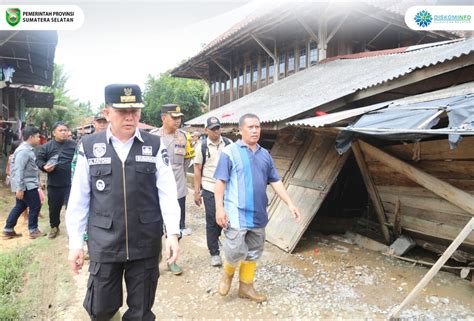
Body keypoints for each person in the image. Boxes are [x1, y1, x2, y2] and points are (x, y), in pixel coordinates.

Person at [66, 84, 181, 320]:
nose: (130, 117)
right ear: (107, 112)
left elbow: (168, 192)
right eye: (122, 111)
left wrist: (172, 233)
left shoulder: (154, 146)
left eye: (135, 111)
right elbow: (79, 199)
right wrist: (76, 243)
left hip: (145, 240)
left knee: (140, 311)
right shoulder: (89, 147)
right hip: (105, 241)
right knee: (100, 309)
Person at [214, 113, 301, 303]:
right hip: (236, 213)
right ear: (241, 129)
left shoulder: (265, 155)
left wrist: (290, 203)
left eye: (257, 127)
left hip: (258, 213)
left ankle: (246, 287)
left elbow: (276, 181)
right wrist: (219, 209)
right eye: (250, 127)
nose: (255, 130)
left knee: (254, 251)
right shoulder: (229, 152)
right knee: (235, 249)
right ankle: (227, 275)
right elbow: (220, 182)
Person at [150, 103, 194, 275]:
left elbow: (186, 162)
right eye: (174, 117)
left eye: (179, 117)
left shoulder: (184, 137)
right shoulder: (152, 138)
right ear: (163, 118)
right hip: (155, 191)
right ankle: (155, 258)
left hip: (178, 189)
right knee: (155, 226)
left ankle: (172, 260)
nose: (178, 121)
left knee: (177, 226)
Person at [194, 117, 232, 267]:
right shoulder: (201, 147)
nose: (217, 131)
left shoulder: (229, 144)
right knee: (212, 219)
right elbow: (197, 170)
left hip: (227, 189)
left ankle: (217, 239)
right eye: (213, 129)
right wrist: (197, 192)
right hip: (209, 187)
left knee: (226, 218)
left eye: (218, 128)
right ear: (206, 130)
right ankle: (214, 253)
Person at [2, 126, 45, 239]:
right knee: (35, 206)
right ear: (31, 137)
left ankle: (8, 230)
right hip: (26, 185)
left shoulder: (27, 149)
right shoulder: (24, 151)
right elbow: (18, 170)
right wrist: (19, 188)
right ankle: (33, 230)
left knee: (20, 206)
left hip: (27, 184)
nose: (39, 139)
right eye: (37, 136)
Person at [36, 121, 76, 239]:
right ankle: (54, 227)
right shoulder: (46, 147)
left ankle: (73, 231)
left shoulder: (74, 145)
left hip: (71, 184)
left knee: (72, 208)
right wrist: (44, 167)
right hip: (54, 184)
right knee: (54, 208)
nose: (64, 133)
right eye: (61, 130)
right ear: (54, 133)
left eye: (65, 130)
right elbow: (38, 160)